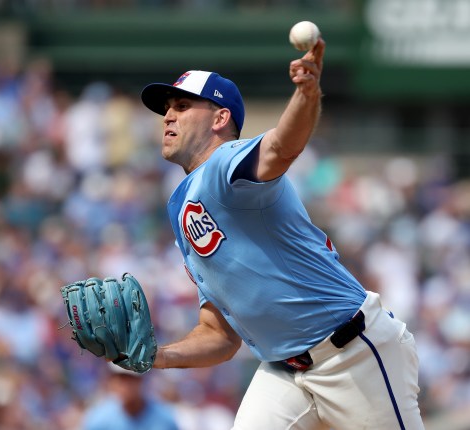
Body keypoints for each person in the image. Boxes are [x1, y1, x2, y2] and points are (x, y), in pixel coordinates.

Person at [139, 38, 425, 429]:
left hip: (352, 355)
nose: (168, 116)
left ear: (220, 119)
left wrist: (307, 94)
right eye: (167, 109)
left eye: (183, 106)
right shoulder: (180, 208)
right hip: (282, 369)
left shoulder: (225, 164)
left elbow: (281, 147)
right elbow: (220, 336)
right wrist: (154, 355)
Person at [82, 363, 180, 430]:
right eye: (121, 379)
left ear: (141, 381)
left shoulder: (164, 418)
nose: (125, 386)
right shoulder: (98, 419)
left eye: (131, 379)